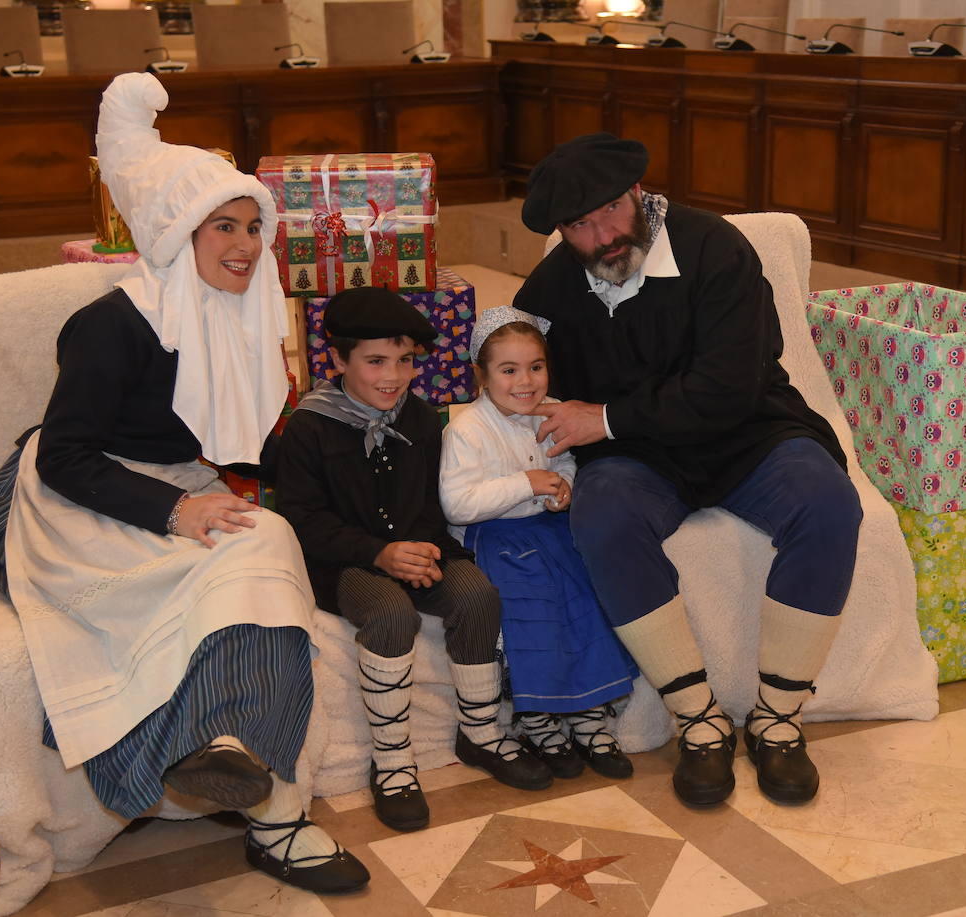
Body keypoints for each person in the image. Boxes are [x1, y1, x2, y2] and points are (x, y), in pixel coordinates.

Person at [0, 72, 369, 893]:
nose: (243, 243)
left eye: (253, 226)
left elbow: (252, 445)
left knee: (270, 542)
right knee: (230, 551)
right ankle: (272, 812)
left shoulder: (237, 317)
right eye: (221, 225)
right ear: (176, 234)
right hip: (62, 497)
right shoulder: (112, 323)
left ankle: (236, 758)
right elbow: (64, 456)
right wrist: (176, 508)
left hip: (168, 488)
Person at [513, 133, 862, 807]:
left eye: (611, 211)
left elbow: (730, 388)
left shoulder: (718, 249)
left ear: (638, 194)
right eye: (579, 225)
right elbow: (525, 380)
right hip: (642, 460)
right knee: (602, 512)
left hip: (747, 433)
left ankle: (777, 717)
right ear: (561, 232)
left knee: (829, 500)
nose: (603, 234)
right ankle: (697, 720)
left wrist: (607, 417)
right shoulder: (551, 290)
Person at [275, 287, 551, 834]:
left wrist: (422, 549)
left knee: (476, 595)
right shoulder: (308, 428)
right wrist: (381, 553)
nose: (392, 376)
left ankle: (479, 732)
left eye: (404, 362)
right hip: (344, 562)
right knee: (390, 611)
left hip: (416, 549)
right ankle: (392, 759)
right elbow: (305, 523)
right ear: (338, 359)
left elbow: (432, 501)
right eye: (375, 361)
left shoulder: (422, 421)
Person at [438, 306, 638, 780]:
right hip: (498, 536)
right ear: (482, 376)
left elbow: (563, 464)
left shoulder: (551, 412)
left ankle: (588, 716)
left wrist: (563, 488)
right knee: (535, 611)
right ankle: (539, 720)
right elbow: (457, 504)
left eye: (536, 367)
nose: (525, 381)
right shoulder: (466, 430)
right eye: (508, 370)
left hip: (549, 530)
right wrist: (528, 484)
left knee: (587, 595)